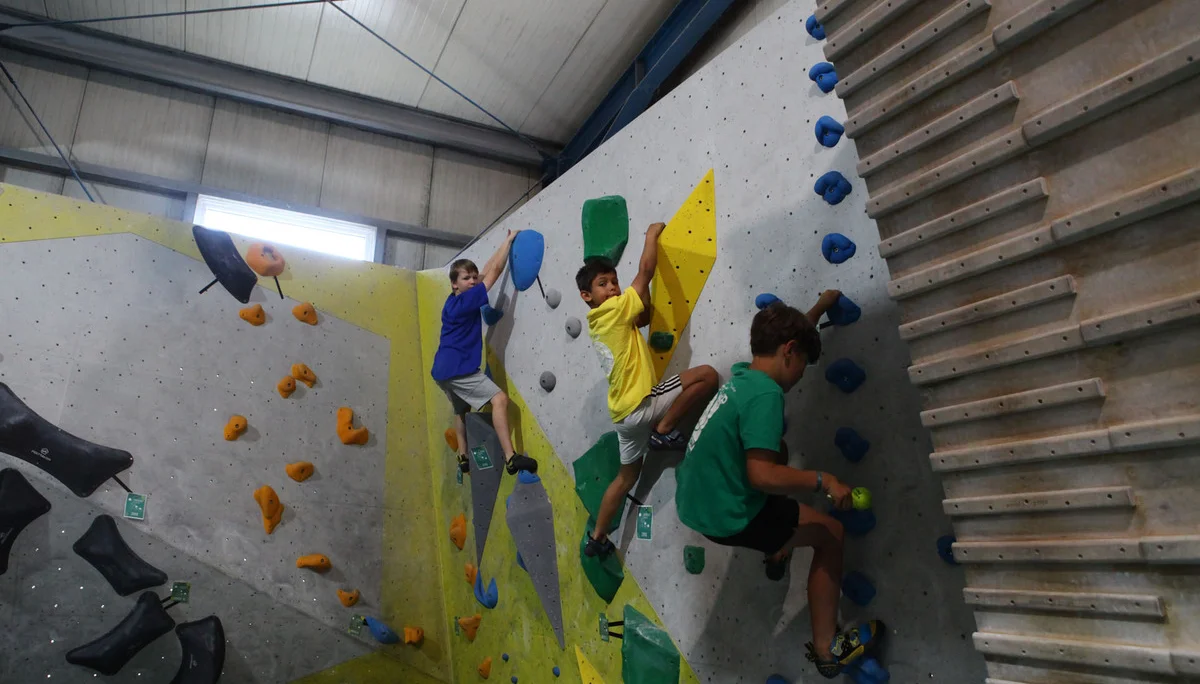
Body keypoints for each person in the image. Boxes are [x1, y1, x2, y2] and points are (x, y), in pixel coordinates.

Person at [674, 294, 883, 679]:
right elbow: (762, 477)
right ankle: (826, 650)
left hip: (694, 500)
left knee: (779, 450)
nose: (803, 372)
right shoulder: (767, 396)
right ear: (789, 352)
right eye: (803, 361)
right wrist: (825, 480)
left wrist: (820, 307)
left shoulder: (744, 376)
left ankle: (777, 549)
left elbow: (791, 333)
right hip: (726, 515)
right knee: (831, 533)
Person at [577, 221, 719, 558]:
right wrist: (651, 236)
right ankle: (665, 430)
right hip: (643, 404)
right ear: (587, 296)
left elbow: (641, 316)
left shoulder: (599, 322)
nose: (612, 288)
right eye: (603, 284)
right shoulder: (613, 309)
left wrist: (639, 299)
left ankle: (597, 537)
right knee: (708, 376)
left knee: (626, 479)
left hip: (623, 417)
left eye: (613, 282)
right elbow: (645, 272)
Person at [432, 231, 537, 476]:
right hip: (459, 370)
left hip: (442, 372)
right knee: (499, 400)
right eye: (466, 278)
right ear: (454, 284)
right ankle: (511, 457)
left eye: (472, 277)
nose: (472, 281)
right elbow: (495, 273)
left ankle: (463, 454)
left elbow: (486, 270)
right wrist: (509, 243)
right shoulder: (467, 300)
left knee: (461, 410)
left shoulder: (452, 300)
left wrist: (502, 243)